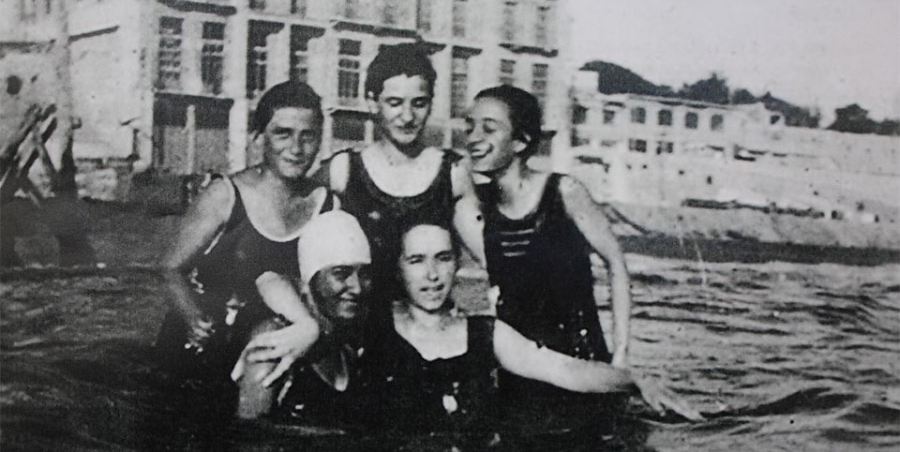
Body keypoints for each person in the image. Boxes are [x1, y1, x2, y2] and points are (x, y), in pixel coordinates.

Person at [246, 43, 485, 386]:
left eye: (419, 103)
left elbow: (493, 257)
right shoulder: (344, 170)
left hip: (425, 334)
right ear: (372, 102)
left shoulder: (452, 174)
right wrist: (305, 323)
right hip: (358, 335)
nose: (407, 117)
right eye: (394, 103)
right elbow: (281, 257)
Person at [359, 220, 702, 435]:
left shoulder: (486, 334)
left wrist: (634, 379)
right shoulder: (373, 331)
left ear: (457, 264)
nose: (432, 275)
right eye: (416, 261)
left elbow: (565, 369)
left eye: (443, 258)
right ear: (398, 268)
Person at [465, 85, 632, 415]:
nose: (473, 138)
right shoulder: (477, 206)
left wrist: (621, 356)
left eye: (488, 128)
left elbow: (616, 263)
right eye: (469, 126)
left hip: (583, 363)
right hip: (519, 373)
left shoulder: (564, 192)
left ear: (521, 141)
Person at [155, 81, 329, 388]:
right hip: (205, 345)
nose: (296, 148)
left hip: (275, 340)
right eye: (283, 133)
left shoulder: (327, 205)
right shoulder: (225, 195)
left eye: (308, 136)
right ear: (258, 137)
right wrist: (192, 317)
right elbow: (169, 268)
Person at [235, 210, 372, 423]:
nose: (357, 287)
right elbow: (248, 432)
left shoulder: (346, 350)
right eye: (340, 273)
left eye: (364, 274)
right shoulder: (276, 338)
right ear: (310, 280)